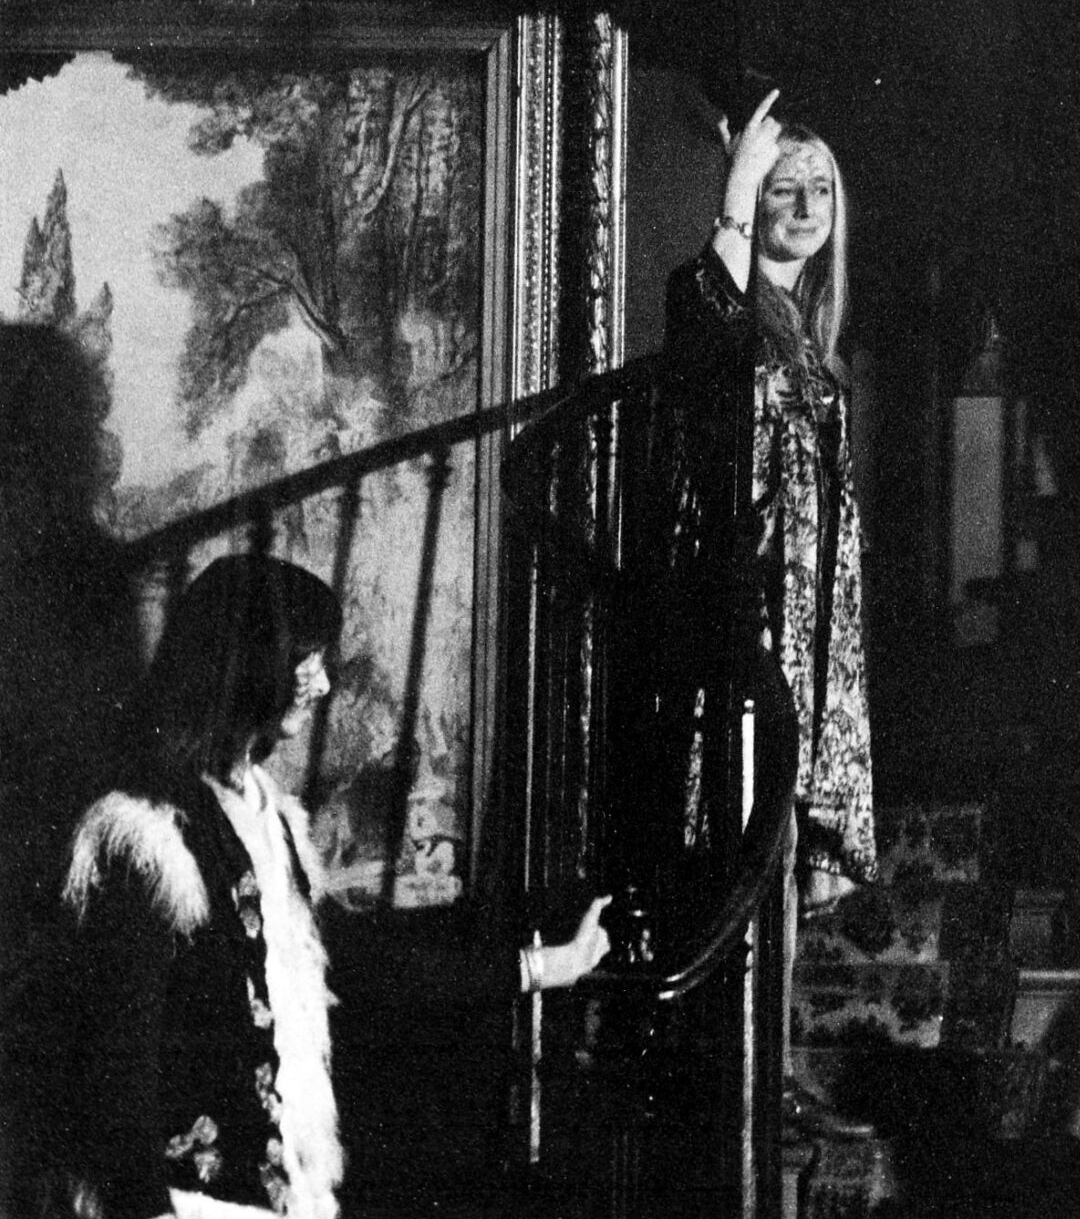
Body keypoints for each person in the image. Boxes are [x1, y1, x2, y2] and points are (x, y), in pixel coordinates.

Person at [54, 554, 609, 1219]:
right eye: (305, 660)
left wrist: (546, 967)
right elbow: (116, 1065)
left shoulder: (269, 812)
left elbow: (351, 962)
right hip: (190, 1202)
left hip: (283, 1195)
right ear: (248, 663)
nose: (321, 684)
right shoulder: (143, 835)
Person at [658, 92, 876, 1134]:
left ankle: (770, 1061)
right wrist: (736, 191)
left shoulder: (811, 338)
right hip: (750, 616)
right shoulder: (735, 310)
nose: (805, 206)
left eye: (818, 189)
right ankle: (737, 1075)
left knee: (783, 837)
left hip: (813, 624)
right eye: (785, 189)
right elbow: (699, 312)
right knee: (745, 832)